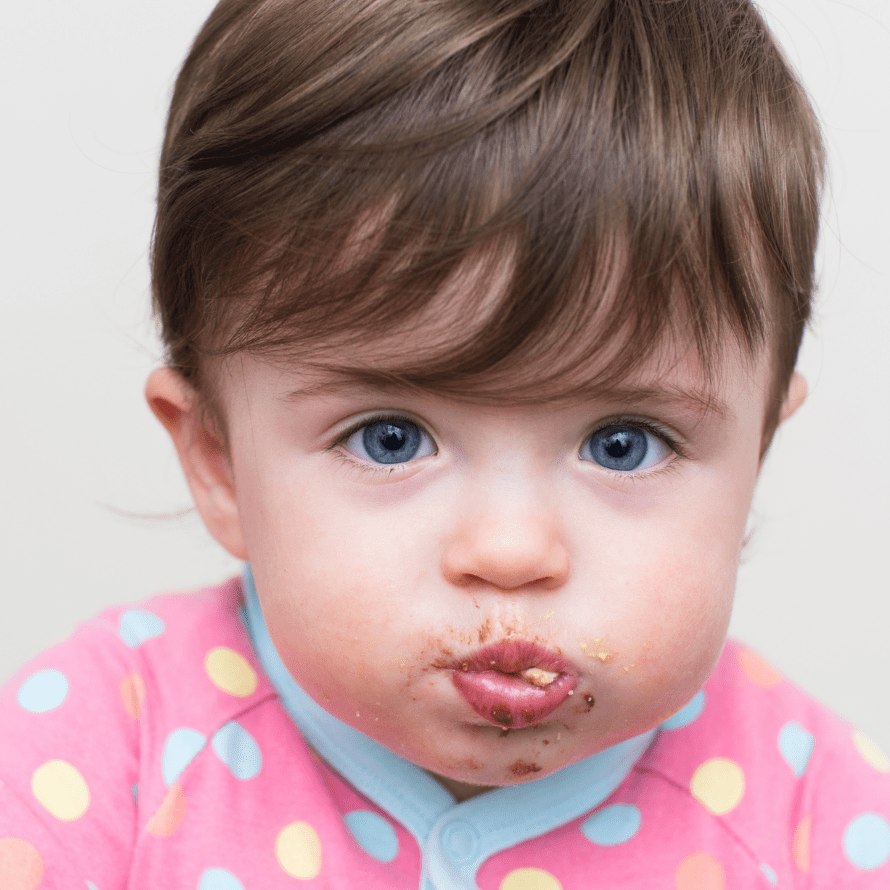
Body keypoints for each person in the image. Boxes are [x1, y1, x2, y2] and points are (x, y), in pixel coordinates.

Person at [1, 0, 888, 887]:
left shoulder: (816, 816)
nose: (510, 553)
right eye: (390, 440)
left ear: (755, 455)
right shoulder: (100, 750)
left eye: (624, 444)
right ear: (220, 463)